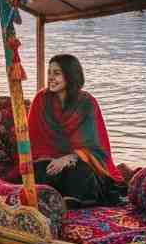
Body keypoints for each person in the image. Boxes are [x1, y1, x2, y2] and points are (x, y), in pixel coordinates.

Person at [27, 54, 126, 206]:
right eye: (49, 73)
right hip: (47, 161)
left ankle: (79, 200)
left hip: (76, 162)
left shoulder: (87, 103)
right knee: (41, 171)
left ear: (70, 75)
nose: (51, 78)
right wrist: (51, 160)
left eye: (57, 73)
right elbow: (33, 141)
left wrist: (68, 159)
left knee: (81, 172)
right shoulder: (41, 99)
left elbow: (95, 147)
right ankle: (63, 198)